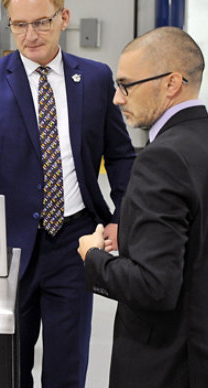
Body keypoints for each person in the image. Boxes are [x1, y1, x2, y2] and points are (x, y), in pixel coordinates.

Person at [0, 0, 136, 388]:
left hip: (76, 241)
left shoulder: (96, 78)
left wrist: (124, 215)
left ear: (64, 17)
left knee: (68, 365)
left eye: (42, 22)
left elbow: (120, 156)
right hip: (8, 245)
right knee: (9, 368)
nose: (30, 35)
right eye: (20, 25)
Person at [78, 26, 208, 388]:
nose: (118, 98)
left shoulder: (162, 158)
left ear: (171, 83)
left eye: (126, 85)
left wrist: (93, 258)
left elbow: (155, 287)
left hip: (166, 363)